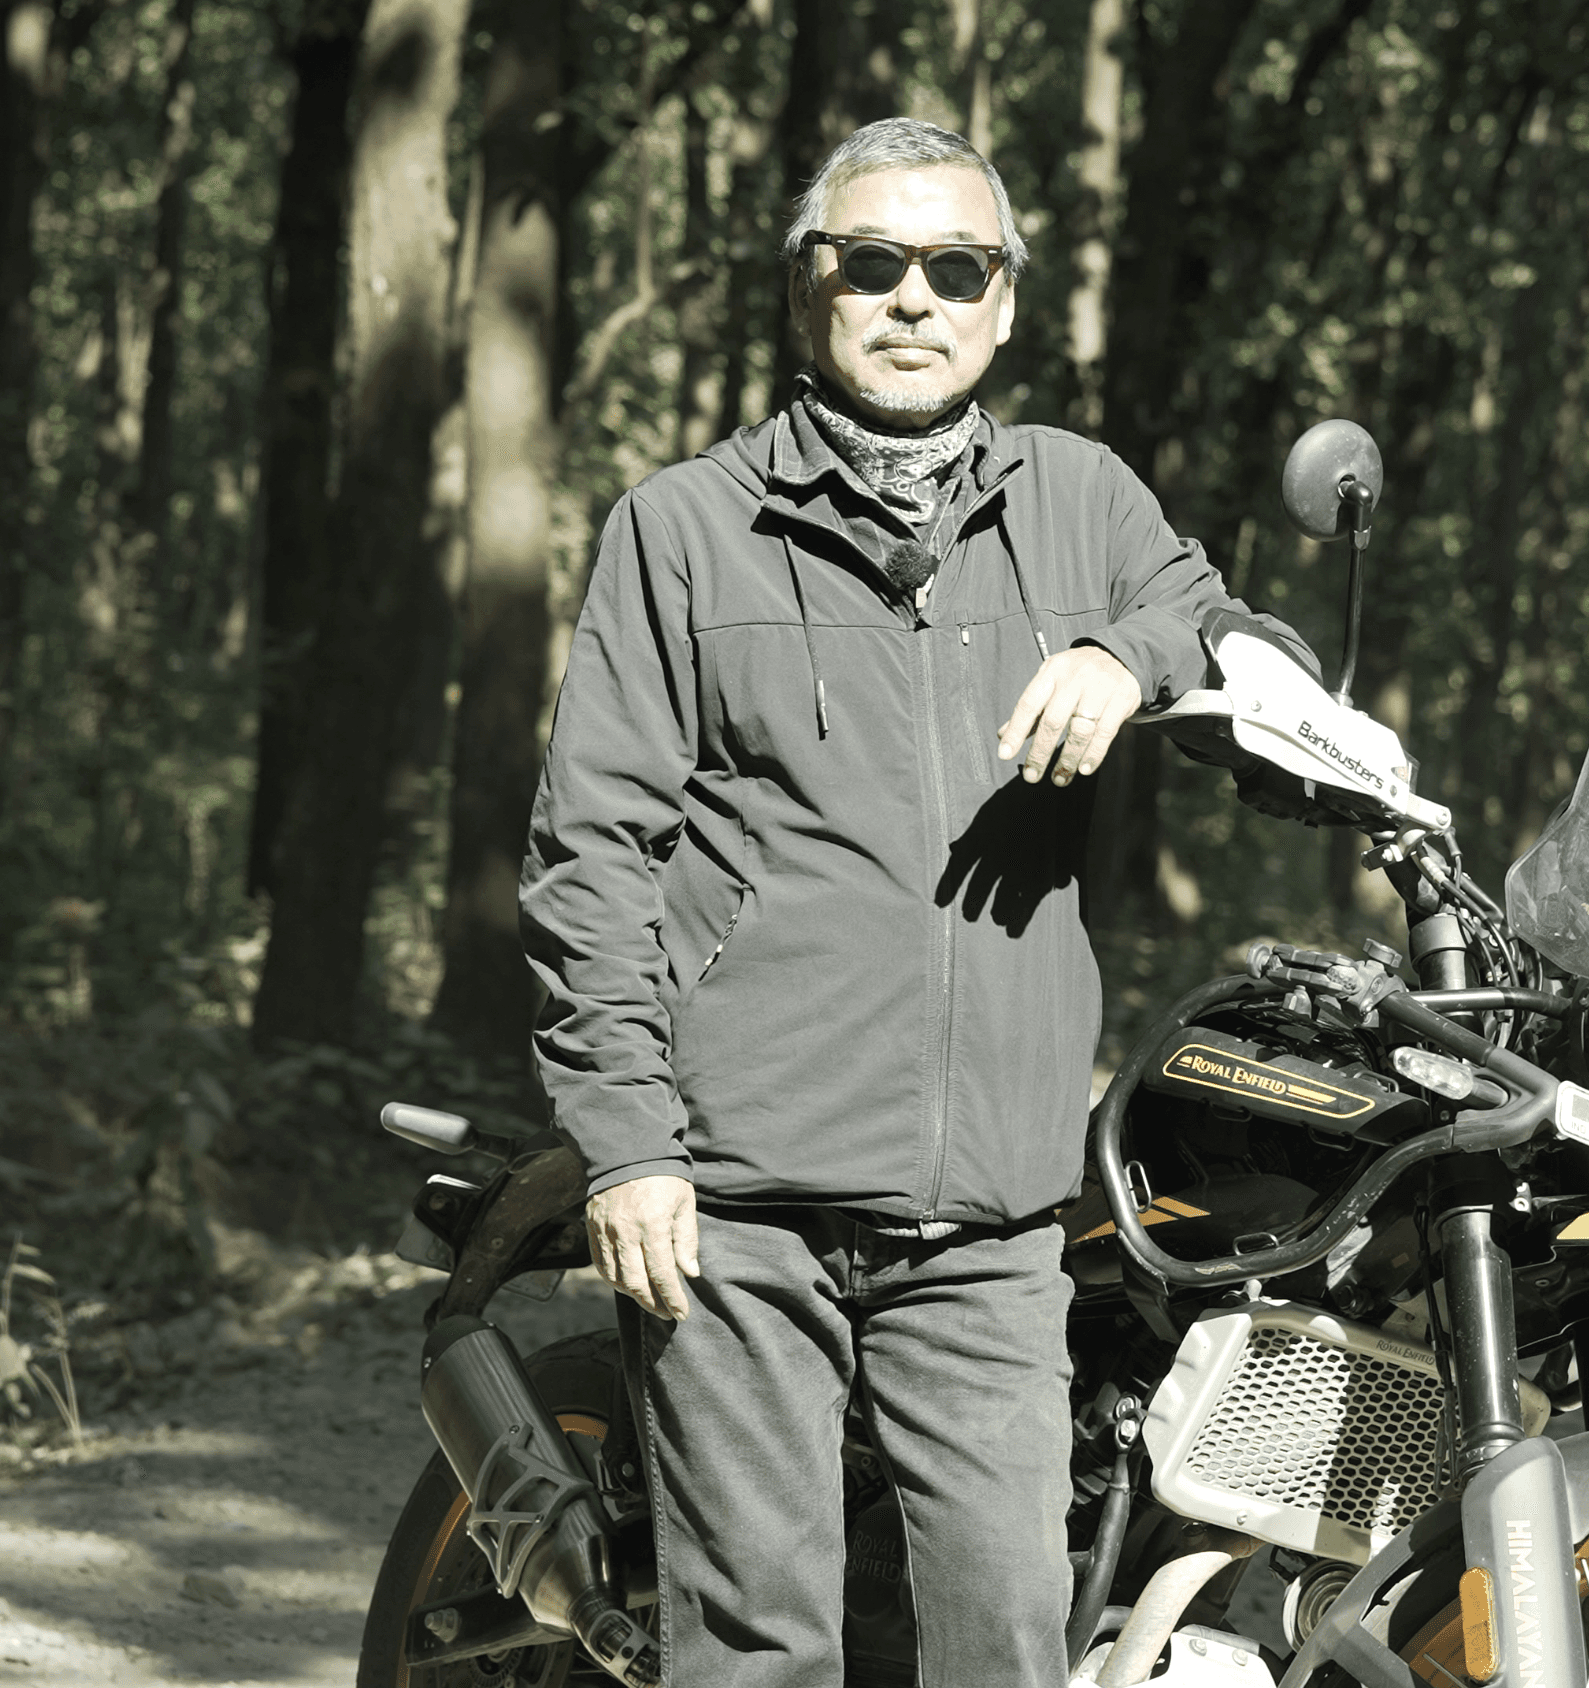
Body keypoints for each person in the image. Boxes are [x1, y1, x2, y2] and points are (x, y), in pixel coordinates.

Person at [518, 117, 1312, 1688]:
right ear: (808, 291)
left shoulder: (1081, 502)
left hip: (995, 1216)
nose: (913, 299)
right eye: (870, 263)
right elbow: (588, 857)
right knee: (761, 1652)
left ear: (1005, 302)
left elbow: (1228, 626)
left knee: (1008, 1639)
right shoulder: (684, 529)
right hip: (740, 1202)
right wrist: (627, 1147)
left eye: (957, 268)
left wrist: (1128, 654)